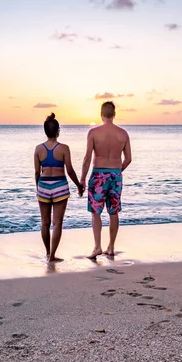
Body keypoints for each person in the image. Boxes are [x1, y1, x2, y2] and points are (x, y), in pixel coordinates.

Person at [80, 101, 132, 259]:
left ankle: (97, 247)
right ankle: (111, 247)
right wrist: (117, 171)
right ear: (114, 114)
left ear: (101, 114)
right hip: (115, 176)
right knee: (113, 212)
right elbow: (128, 159)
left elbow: (87, 158)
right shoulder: (123, 134)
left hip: (98, 176)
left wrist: (82, 180)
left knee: (96, 212)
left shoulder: (94, 133)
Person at [34, 113, 83, 262]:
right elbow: (70, 170)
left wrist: (39, 187)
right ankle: (53, 256)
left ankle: (47, 252)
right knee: (57, 223)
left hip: (43, 185)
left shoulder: (38, 149)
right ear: (57, 131)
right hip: (60, 186)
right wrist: (79, 185)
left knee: (44, 222)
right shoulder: (64, 148)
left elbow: (37, 172)